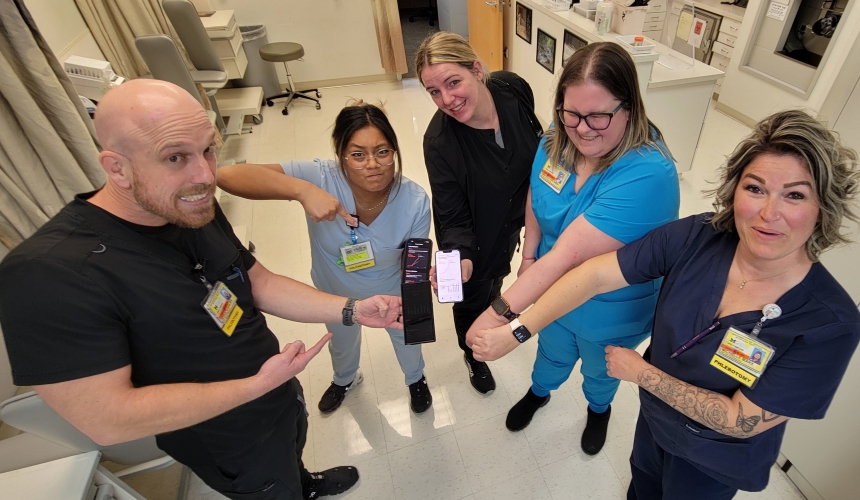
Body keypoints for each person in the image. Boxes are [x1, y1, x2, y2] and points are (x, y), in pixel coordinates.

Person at [0, 80, 405, 500]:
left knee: (288, 458)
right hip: (226, 436)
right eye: (175, 157)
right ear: (116, 166)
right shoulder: (48, 274)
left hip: (274, 395)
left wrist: (353, 309)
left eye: (208, 149)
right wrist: (254, 386)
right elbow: (107, 419)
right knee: (269, 487)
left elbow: (259, 282)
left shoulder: (189, 207)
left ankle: (302, 481)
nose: (205, 175)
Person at [472, 109, 860, 499]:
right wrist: (515, 328)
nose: (768, 213)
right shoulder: (699, 236)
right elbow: (593, 274)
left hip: (714, 459)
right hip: (655, 422)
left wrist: (642, 373)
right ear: (734, 190)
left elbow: (738, 419)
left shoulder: (828, 323)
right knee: (640, 485)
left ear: (823, 208)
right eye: (755, 188)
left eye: (794, 195)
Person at [466, 42, 679, 455]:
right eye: (571, 112)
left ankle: (599, 410)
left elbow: (569, 256)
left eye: (598, 115)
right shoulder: (557, 139)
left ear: (630, 107)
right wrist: (528, 257)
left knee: (601, 371)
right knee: (552, 353)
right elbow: (536, 193)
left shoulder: (648, 173)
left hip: (611, 308)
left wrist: (505, 319)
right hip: (547, 289)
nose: (582, 128)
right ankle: (540, 392)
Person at [216, 101, 434, 415]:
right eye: (358, 154)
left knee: (408, 341)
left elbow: (412, 263)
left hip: (392, 293)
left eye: (383, 152)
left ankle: (415, 378)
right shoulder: (320, 176)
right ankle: (344, 379)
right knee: (341, 342)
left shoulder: (414, 200)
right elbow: (228, 175)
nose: (373, 164)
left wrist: (419, 285)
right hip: (334, 294)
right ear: (341, 156)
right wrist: (302, 191)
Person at [416, 31, 543, 394]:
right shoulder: (440, 143)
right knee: (473, 294)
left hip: (521, 224)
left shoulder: (513, 89)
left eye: (453, 82)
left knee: (498, 284)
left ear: (477, 69)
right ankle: (472, 351)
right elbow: (452, 216)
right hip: (479, 236)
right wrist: (459, 259)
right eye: (434, 92)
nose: (447, 100)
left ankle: (494, 314)